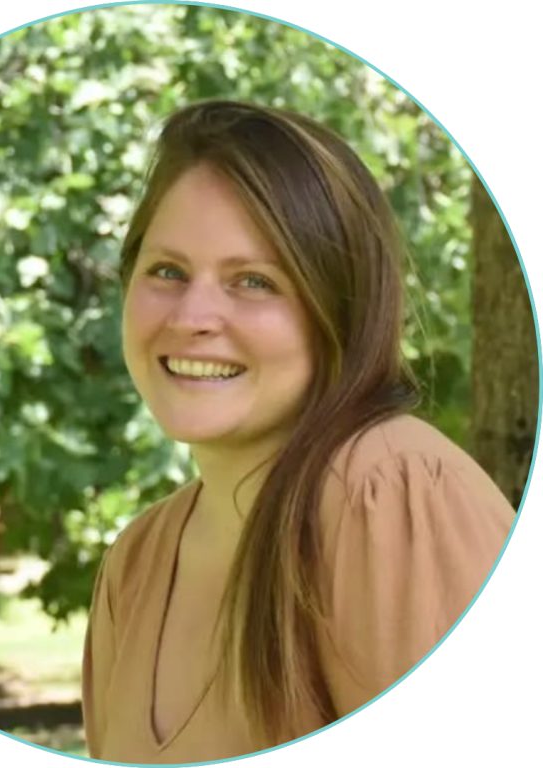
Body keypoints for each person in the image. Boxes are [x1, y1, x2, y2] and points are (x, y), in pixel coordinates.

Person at [80, 99, 517, 763]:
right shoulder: (136, 563)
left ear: (336, 310)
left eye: (253, 281)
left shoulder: (389, 492)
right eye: (168, 271)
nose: (192, 316)